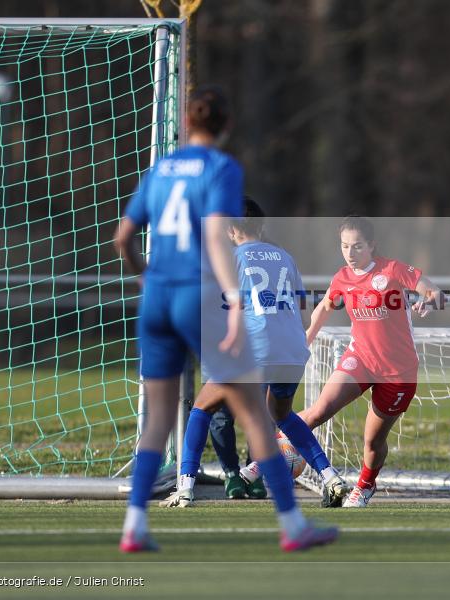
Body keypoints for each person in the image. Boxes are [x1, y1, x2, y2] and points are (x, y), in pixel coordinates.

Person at [112, 86, 337, 552]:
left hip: (158, 295)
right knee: (255, 414)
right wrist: (235, 301)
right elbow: (218, 240)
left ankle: (136, 524)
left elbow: (122, 239)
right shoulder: (222, 169)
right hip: (196, 294)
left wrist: (145, 279)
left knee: (162, 415)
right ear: (226, 127)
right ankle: (293, 527)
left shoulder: (159, 171)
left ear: (187, 126)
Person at [159, 197, 346, 508]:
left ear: (231, 231)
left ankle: (185, 488)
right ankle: (330, 477)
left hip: (255, 349)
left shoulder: (230, 259)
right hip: (292, 350)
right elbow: (302, 315)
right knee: (282, 415)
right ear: (261, 226)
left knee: (202, 408)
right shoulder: (286, 257)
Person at [300, 215, 445, 508]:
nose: (350, 254)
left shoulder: (392, 269)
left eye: (357, 247)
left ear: (372, 245)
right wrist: (306, 339)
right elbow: (325, 307)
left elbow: (435, 292)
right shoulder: (341, 277)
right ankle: (270, 449)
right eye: (344, 246)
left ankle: (365, 486)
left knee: (372, 442)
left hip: (397, 372)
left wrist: (428, 300)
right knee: (319, 411)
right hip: (360, 358)